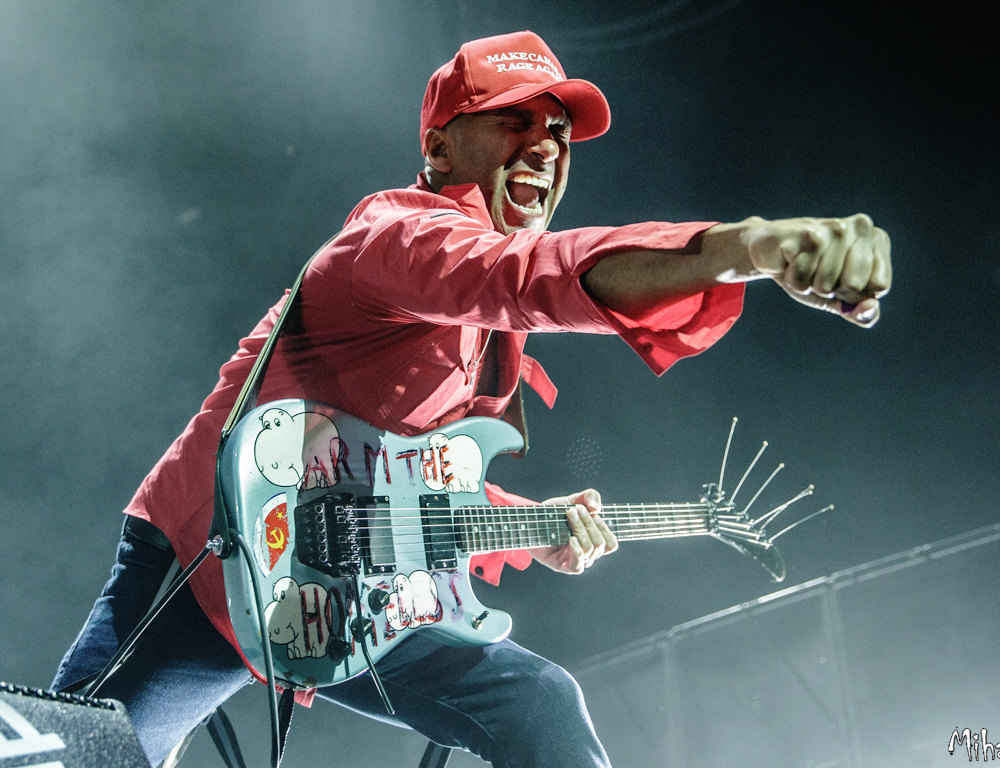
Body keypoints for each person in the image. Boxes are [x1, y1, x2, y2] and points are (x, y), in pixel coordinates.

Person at [51, 30, 891, 768]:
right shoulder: (393, 238)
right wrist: (748, 247)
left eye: (558, 133)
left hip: (344, 599)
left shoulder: (484, 334)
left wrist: (532, 527)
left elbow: (411, 483)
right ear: (441, 148)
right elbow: (530, 276)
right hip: (216, 555)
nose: (544, 147)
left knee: (539, 705)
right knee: (71, 756)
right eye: (513, 121)